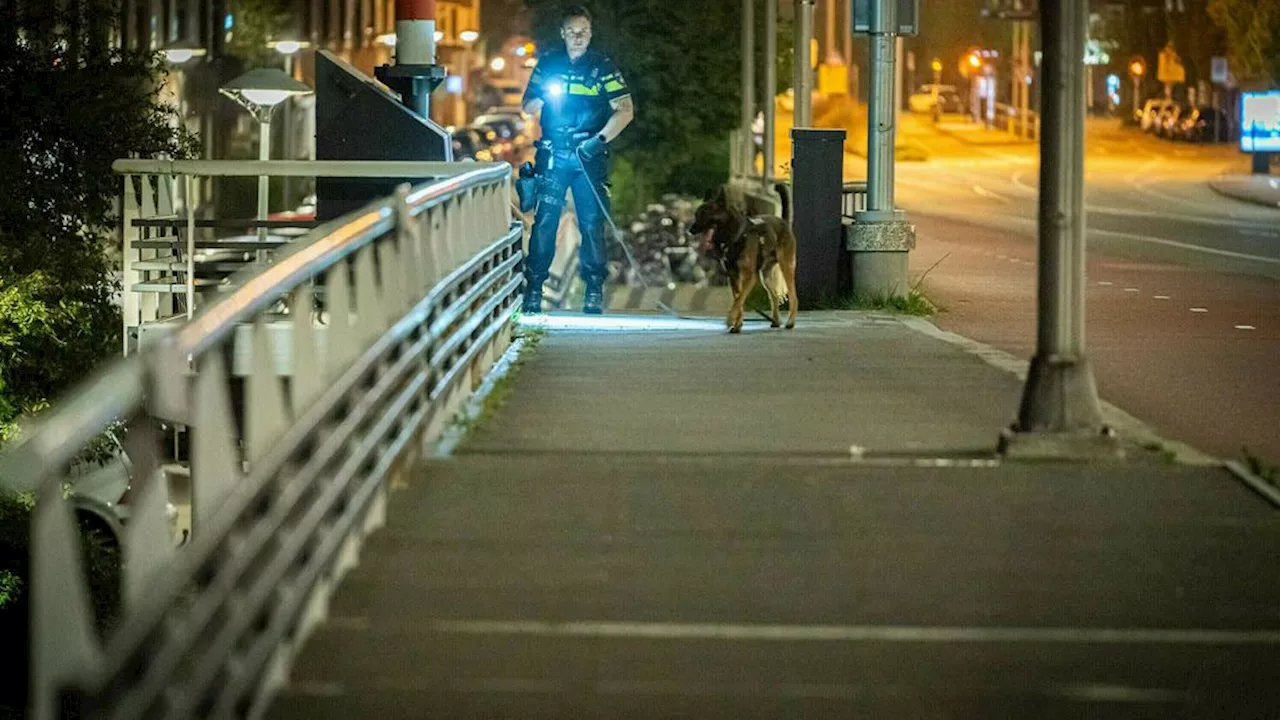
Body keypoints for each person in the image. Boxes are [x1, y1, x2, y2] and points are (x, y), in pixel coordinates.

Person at [520, 4, 634, 314]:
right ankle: (533, 290)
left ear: (591, 33)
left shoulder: (602, 67)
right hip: (553, 155)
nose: (578, 36)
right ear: (562, 33)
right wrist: (545, 93)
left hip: (588, 156)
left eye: (583, 31)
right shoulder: (548, 64)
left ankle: (593, 291)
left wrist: (598, 141)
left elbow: (625, 110)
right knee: (544, 223)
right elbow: (527, 106)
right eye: (572, 31)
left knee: (591, 223)